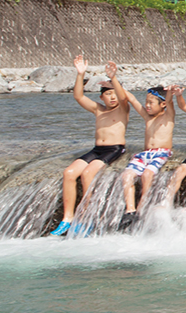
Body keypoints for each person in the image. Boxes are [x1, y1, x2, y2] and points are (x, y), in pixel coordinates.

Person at [51, 56, 132, 236]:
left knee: (88, 173)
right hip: (97, 150)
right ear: (101, 97)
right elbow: (79, 96)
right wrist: (80, 74)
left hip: (114, 148)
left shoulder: (122, 109)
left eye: (114, 94)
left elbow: (123, 97)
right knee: (69, 173)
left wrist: (114, 78)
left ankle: (87, 217)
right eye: (107, 94)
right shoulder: (98, 109)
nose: (112, 98)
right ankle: (67, 219)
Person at [118, 82, 179, 231]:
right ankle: (130, 210)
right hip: (144, 154)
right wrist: (114, 81)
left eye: (151, 103)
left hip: (161, 152)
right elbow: (132, 99)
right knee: (126, 175)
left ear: (162, 104)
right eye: (146, 102)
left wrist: (170, 92)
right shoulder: (147, 117)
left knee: (147, 174)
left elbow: (170, 101)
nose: (147, 106)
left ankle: (141, 208)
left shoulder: (168, 116)